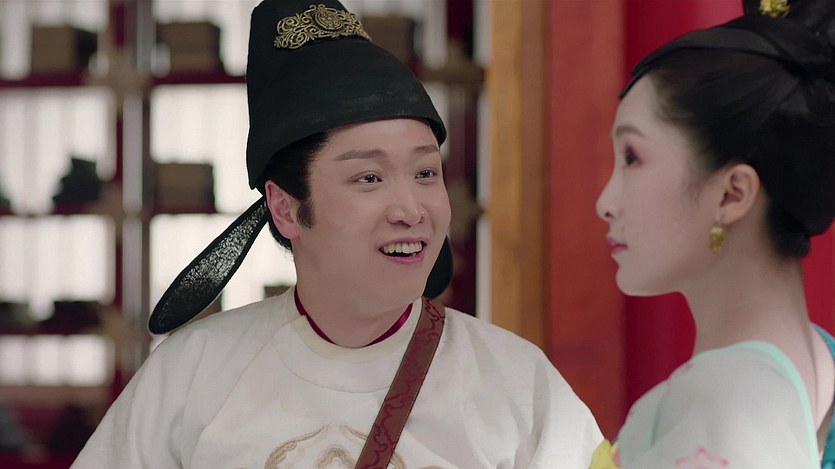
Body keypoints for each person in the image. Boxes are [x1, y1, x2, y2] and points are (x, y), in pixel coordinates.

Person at [72, 1, 602, 467]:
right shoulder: (191, 375)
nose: (410, 209)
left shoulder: (517, 381)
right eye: (368, 178)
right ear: (285, 208)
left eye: (425, 172)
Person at [591, 0, 835, 467]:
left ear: (732, 193)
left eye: (633, 158)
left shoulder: (723, 405)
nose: (606, 202)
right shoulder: (816, 361)